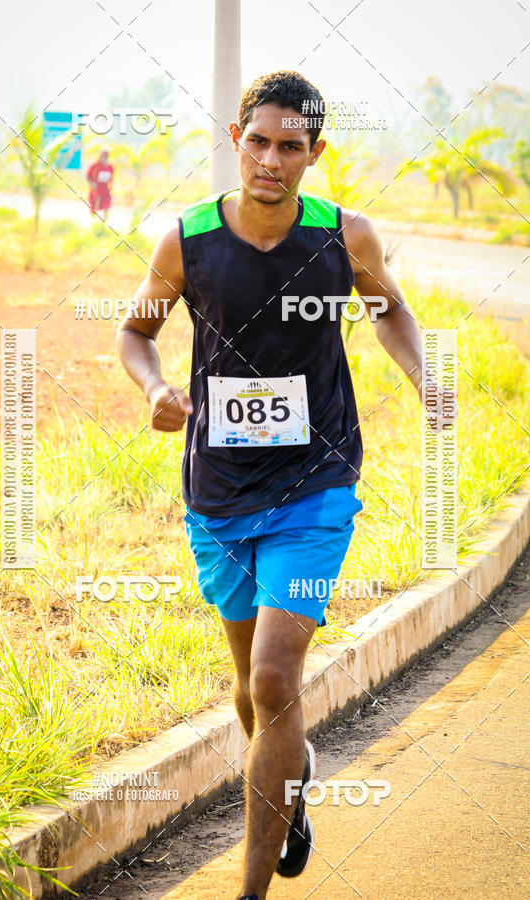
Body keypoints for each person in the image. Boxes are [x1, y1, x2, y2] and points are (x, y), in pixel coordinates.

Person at [116, 70, 453, 900]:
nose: (270, 159)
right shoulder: (187, 239)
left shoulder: (344, 235)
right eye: (257, 141)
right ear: (237, 139)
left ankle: (251, 892)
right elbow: (134, 331)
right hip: (221, 491)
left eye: (289, 146)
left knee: (273, 677)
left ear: (314, 153)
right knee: (249, 687)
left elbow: (390, 309)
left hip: (316, 483)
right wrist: (156, 390)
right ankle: (290, 779)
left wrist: (425, 377)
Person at [87, 146, 114, 222]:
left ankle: (104, 223)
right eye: (104, 155)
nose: (105, 157)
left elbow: (111, 178)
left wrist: (111, 184)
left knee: (107, 205)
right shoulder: (94, 166)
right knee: (95, 207)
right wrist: (92, 183)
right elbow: (88, 176)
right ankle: (93, 222)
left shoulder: (110, 167)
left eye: (107, 156)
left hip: (105, 190)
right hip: (96, 190)